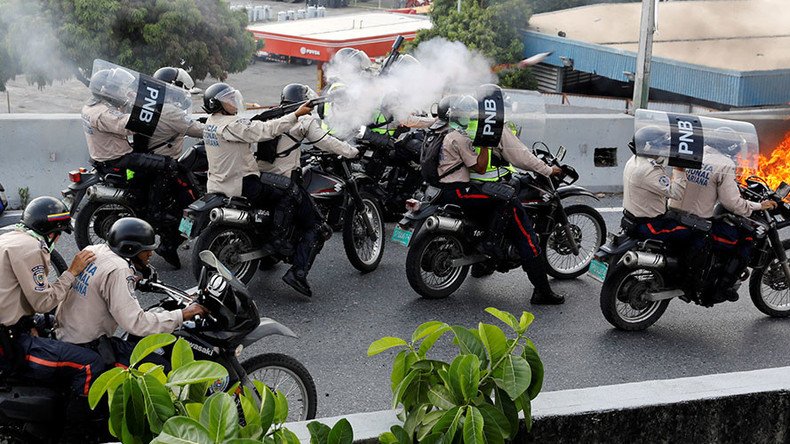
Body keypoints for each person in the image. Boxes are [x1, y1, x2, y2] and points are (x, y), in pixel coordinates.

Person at [435, 95, 564, 304]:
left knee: (488, 221)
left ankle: (481, 264)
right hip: (491, 187)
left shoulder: (455, 128)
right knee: (527, 237)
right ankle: (542, 291)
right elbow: (521, 156)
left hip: (468, 189)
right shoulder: (493, 129)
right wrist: (548, 170)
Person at [54, 218, 207, 366]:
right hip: (86, 345)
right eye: (145, 250)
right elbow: (137, 323)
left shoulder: (93, 250)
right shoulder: (119, 269)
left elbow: (102, 280)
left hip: (65, 331)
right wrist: (183, 314)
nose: (150, 254)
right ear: (130, 249)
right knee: (161, 366)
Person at [258, 83, 359, 297]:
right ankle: (298, 273)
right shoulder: (303, 120)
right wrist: (351, 151)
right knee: (318, 226)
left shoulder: (268, 116)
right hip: (284, 182)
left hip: (259, 180)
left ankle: (268, 257)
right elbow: (326, 141)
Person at [0, 196, 100, 401]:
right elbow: (43, 302)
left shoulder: (10, 238)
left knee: (48, 325)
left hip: (10, 326)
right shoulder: (30, 249)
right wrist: (72, 272)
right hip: (7, 341)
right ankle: (75, 431)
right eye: (59, 234)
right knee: (91, 363)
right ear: (50, 232)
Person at [668, 126, 777, 301]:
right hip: (696, 223)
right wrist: (759, 206)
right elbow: (732, 203)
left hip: (673, 214)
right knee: (746, 237)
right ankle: (724, 287)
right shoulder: (725, 164)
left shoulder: (694, 152)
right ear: (730, 148)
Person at [82, 67, 184, 250]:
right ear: (105, 90)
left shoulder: (91, 107)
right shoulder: (104, 113)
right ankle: (155, 213)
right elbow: (129, 125)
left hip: (103, 158)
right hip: (120, 159)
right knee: (169, 165)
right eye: (117, 88)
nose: (120, 91)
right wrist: (151, 111)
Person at [130, 67, 205, 269]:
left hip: (146, 162)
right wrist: (220, 127)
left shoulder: (150, 104)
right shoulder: (171, 111)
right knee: (196, 203)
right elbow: (198, 130)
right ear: (175, 89)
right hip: (165, 166)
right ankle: (170, 243)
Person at [202, 82, 313, 207]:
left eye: (233, 97)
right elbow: (266, 130)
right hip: (241, 184)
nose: (233, 101)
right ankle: (277, 227)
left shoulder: (210, 122)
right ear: (216, 104)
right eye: (229, 98)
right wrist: (296, 114)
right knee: (290, 193)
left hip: (217, 184)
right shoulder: (232, 125)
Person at [622, 125, 690, 247]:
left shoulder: (634, 160)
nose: (664, 148)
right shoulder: (649, 170)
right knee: (689, 232)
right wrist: (680, 168)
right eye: (661, 145)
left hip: (631, 219)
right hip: (650, 225)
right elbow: (676, 193)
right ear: (649, 147)